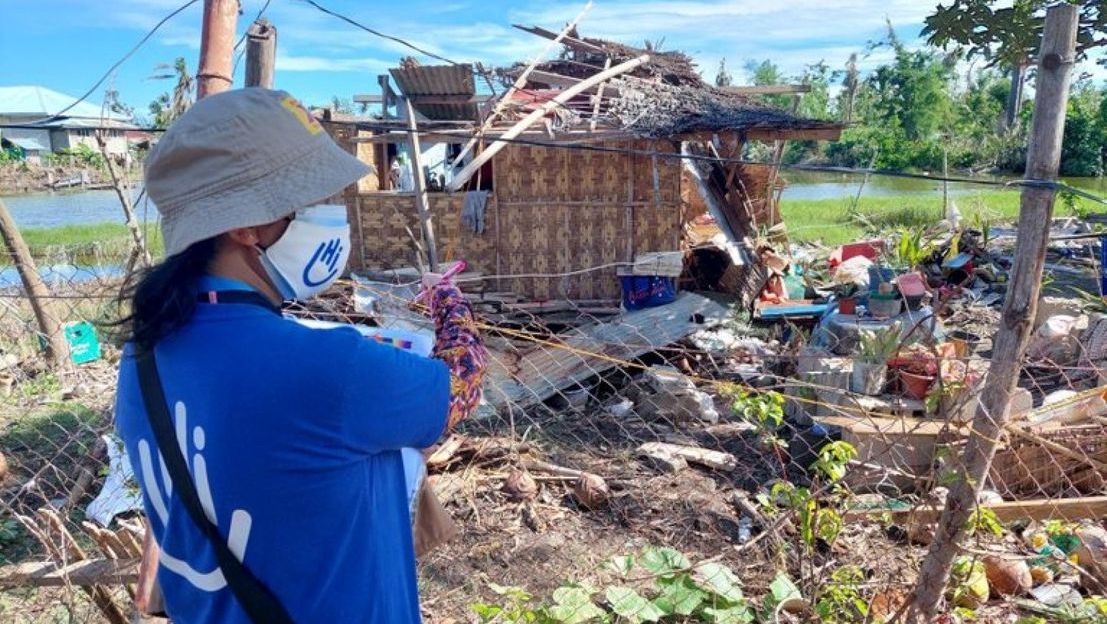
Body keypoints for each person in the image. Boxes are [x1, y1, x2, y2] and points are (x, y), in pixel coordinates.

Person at [114, 88, 486, 623]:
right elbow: (460, 382)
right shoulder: (331, 367)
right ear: (244, 225)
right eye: (308, 200)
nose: (331, 214)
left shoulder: (142, 355)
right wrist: (450, 302)